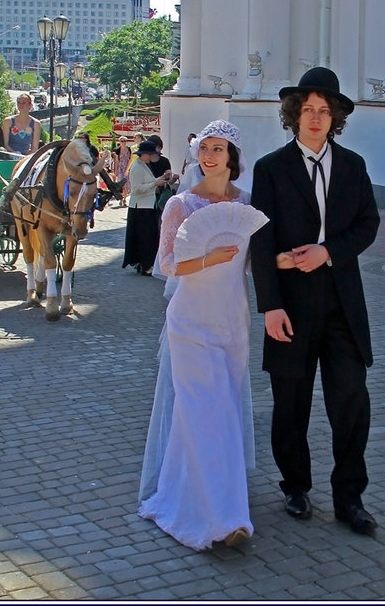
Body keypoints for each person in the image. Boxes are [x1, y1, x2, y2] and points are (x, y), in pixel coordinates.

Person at [251, 66, 381, 537]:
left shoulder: (354, 166)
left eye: (324, 111)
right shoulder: (270, 169)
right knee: (291, 404)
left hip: (343, 304)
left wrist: (329, 250)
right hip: (291, 305)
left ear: (335, 118)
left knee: (351, 401)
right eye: (307, 109)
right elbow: (261, 242)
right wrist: (270, 306)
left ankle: (350, 498)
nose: (315, 117)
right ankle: (295, 486)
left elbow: (368, 225)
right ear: (294, 114)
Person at [139, 120, 257, 550]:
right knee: (200, 412)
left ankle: (215, 499)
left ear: (232, 158)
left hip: (232, 320)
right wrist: (207, 257)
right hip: (189, 321)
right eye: (204, 147)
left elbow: (249, 265)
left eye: (219, 149)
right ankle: (220, 519)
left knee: (223, 412)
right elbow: (166, 265)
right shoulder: (180, 205)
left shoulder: (245, 205)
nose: (209, 155)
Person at [122, 141, 167, 276]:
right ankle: (145, 265)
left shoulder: (143, 165)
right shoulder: (137, 167)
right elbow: (136, 189)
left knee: (148, 237)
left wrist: (162, 178)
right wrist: (155, 183)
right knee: (145, 238)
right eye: (151, 154)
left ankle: (145, 263)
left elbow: (148, 182)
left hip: (147, 206)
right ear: (145, 154)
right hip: (140, 208)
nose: (152, 157)